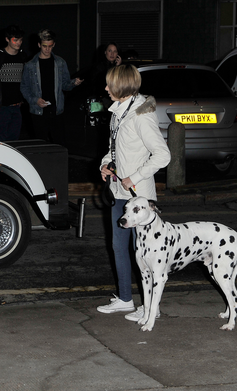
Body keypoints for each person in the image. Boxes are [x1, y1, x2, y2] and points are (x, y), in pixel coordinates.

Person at [95, 64, 171, 319]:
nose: (105, 88)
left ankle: (152, 308)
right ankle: (125, 299)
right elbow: (114, 147)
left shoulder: (140, 114)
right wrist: (105, 164)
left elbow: (163, 155)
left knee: (146, 255)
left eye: (109, 84)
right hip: (119, 192)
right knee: (119, 247)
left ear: (121, 87)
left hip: (138, 197)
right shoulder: (119, 112)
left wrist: (133, 177)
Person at [20, 29, 83, 146]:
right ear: (39, 45)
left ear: (53, 44)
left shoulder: (60, 63)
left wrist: (73, 83)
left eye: (50, 46)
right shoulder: (30, 65)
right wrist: (35, 100)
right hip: (38, 111)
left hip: (56, 110)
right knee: (40, 144)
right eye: (44, 46)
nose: (47, 49)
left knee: (59, 144)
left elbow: (65, 85)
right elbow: (24, 87)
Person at [0, 25, 29, 141]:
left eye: (20, 40)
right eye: (15, 40)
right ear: (7, 39)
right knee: (1, 141)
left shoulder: (23, 56)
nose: (18, 43)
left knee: (14, 141)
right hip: (0, 108)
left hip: (16, 107)